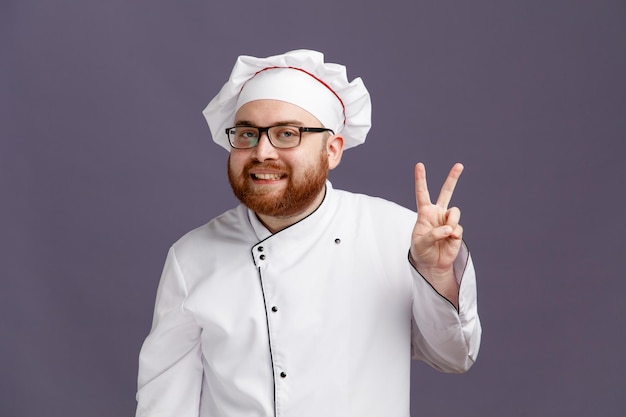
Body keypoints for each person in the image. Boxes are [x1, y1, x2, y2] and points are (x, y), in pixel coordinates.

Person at [135, 49, 481, 417]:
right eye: (247, 134)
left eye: (287, 133)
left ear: (332, 150)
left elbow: (455, 357)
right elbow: (165, 401)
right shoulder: (192, 256)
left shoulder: (400, 235)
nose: (262, 151)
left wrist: (437, 274)